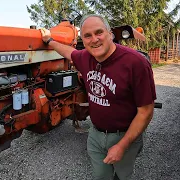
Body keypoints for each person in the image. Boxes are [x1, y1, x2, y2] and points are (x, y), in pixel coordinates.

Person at [40, 14, 156, 180]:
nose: (94, 40)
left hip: (124, 135)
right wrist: (49, 40)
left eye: (99, 32)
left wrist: (122, 146)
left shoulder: (135, 63)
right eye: (87, 35)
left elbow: (146, 111)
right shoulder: (86, 57)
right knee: (100, 175)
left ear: (109, 33)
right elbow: (69, 52)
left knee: (123, 175)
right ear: (83, 39)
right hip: (95, 134)